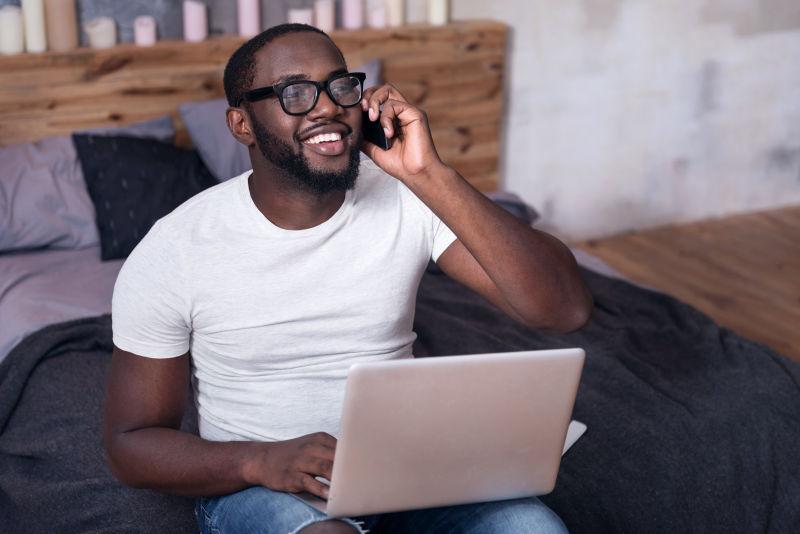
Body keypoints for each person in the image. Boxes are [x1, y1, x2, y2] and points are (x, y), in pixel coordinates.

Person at [103, 23, 592, 534]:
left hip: (406, 475)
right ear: (241, 124)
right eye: (294, 93)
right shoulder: (176, 248)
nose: (327, 107)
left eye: (340, 86)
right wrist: (259, 461)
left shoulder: (409, 195)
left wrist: (429, 175)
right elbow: (130, 443)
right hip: (264, 490)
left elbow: (563, 311)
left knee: (531, 526)